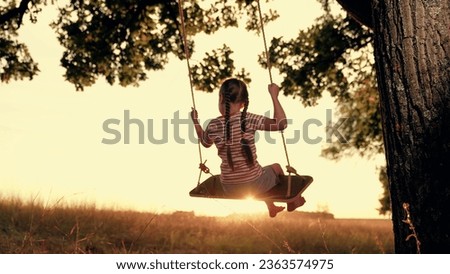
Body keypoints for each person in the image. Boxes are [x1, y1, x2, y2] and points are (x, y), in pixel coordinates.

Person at [190, 78, 305, 217]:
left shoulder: (213, 125)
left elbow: (205, 143)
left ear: (220, 97)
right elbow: (281, 124)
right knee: (276, 168)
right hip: (254, 184)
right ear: (243, 103)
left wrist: (195, 122)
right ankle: (294, 201)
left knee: (259, 173)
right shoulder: (249, 119)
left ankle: (271, 206)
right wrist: (274, 96)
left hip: (228, 187)